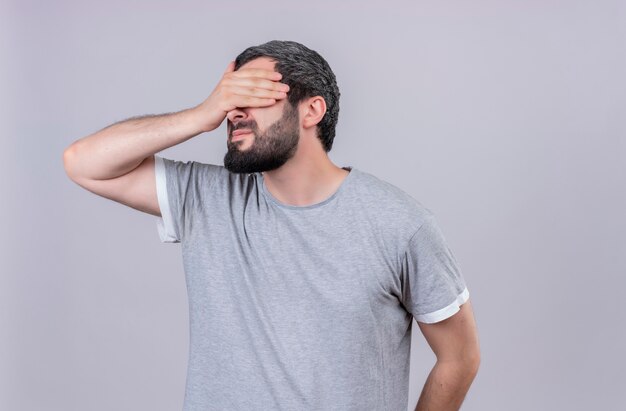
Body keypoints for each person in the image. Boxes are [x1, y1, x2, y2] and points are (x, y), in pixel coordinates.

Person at [63, 40, 480, 411]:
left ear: (312, 110)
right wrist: (200, 114)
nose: (233, 111)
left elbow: (460, 357)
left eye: (253, 94)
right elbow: (84, 163)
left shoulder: (400, 224)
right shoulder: (206, 198)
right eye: (229, 98)